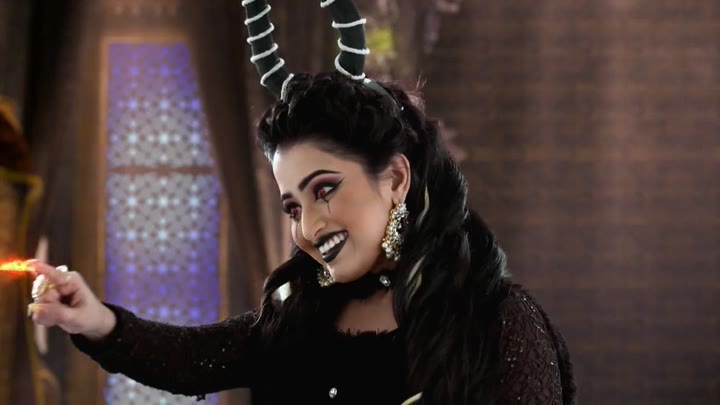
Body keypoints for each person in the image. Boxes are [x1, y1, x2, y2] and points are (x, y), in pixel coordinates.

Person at [28, 0, 576, 403]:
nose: (309, 226)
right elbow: (192, 360)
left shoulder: (497, 322)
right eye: (292, 206)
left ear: (396, 178)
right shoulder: (301, 315)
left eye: (325, 190)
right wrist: (95, 320)